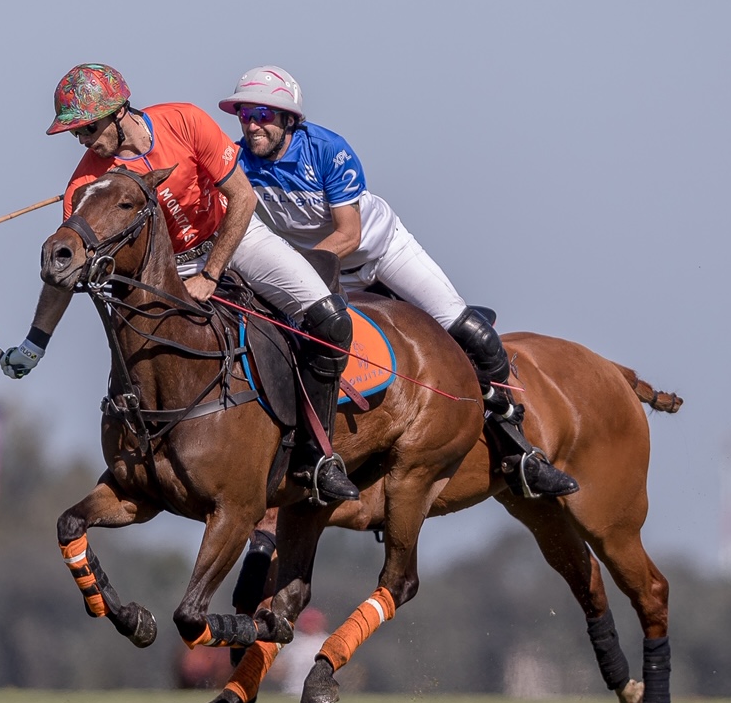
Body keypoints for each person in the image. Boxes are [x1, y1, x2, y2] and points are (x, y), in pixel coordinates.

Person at [1, 63, 359, 504]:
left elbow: (243, 198)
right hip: (168, 270)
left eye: (88, 128)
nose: (84, 141)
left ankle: (315, 458)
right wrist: (35, 344)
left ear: (117, 112)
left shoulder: (185, 121)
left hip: (233, 236)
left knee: (330, 320)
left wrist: (212, 274)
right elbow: (64, 267)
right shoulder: (87, 181)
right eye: (76, 134)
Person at [218, 66, 578, 499]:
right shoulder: (238, 163)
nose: (252, 124)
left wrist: (295, 271)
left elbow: (348, 234)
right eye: (244, 114)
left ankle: (519, 451)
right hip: (321, 270)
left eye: (262, 113)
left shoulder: (328, 150)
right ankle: (318, 457)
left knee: (470, 334)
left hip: (381, 253)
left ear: (290, 119)